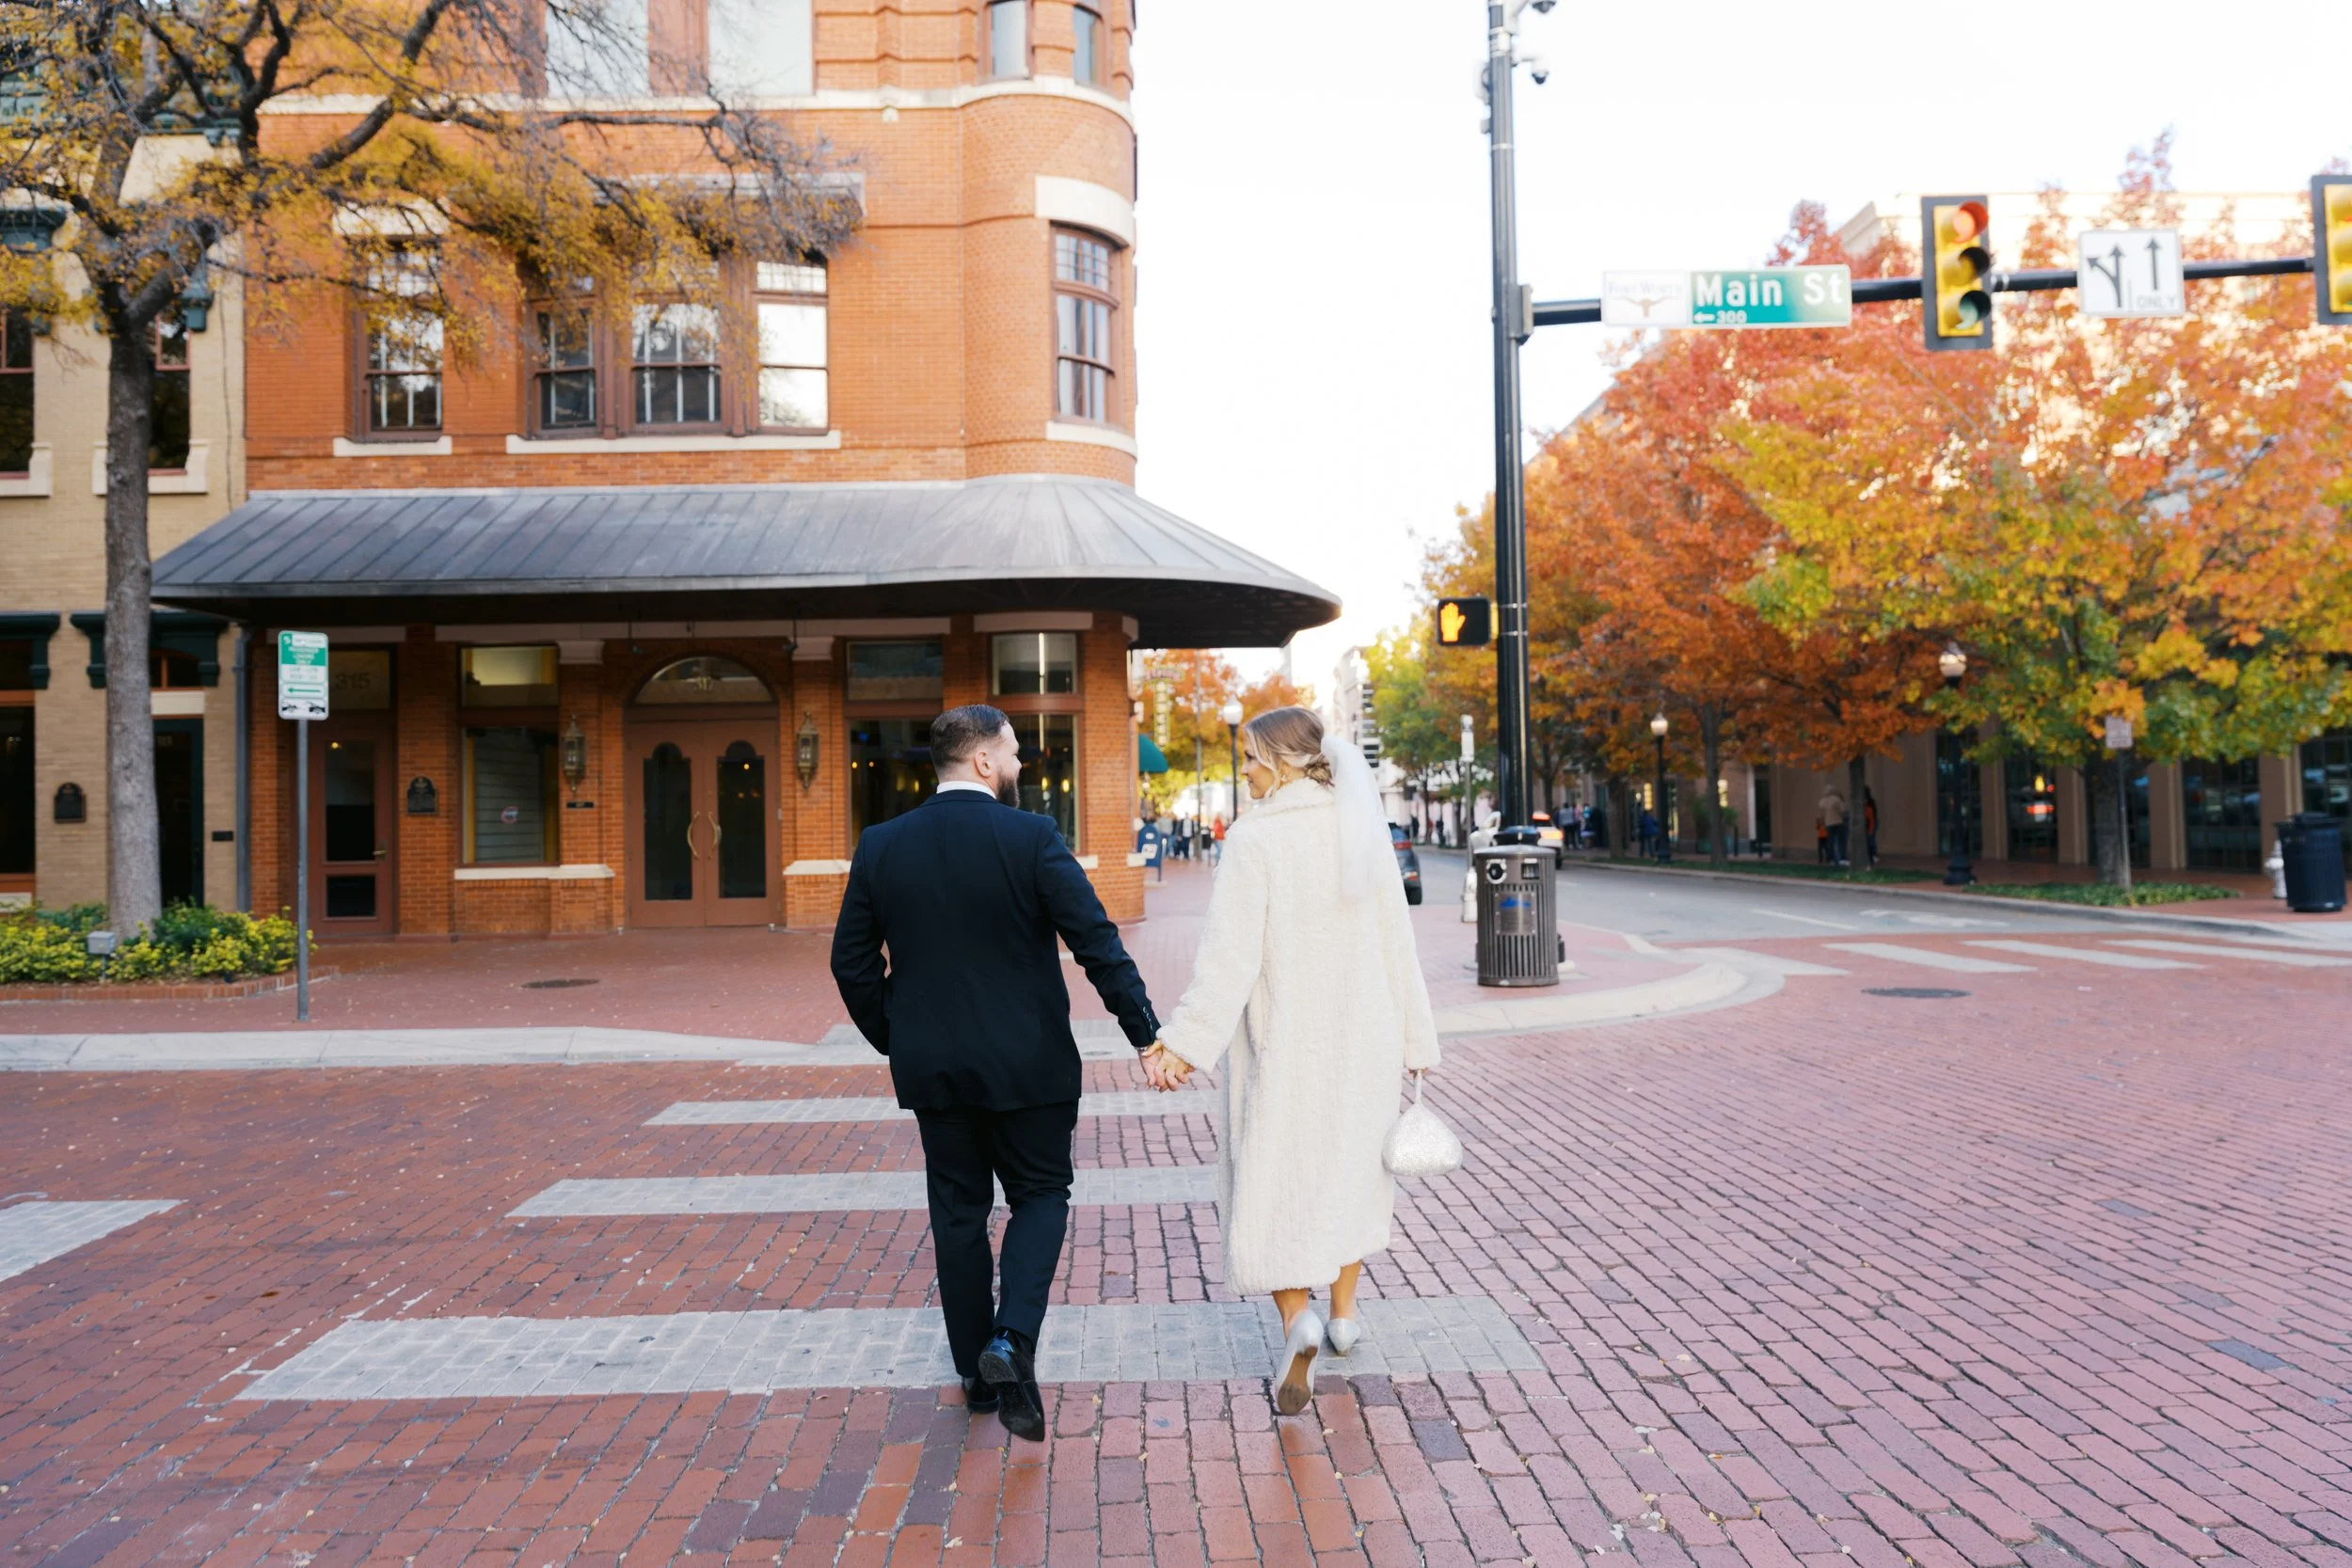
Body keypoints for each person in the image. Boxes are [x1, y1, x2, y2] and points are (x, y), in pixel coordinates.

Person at [830, 704, 1162, 1441]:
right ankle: (1012, 1339)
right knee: (1041, 1194)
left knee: (957, 1213)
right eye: (1012, 753)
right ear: (983, 761)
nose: (1020, 767)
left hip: (936, 1070)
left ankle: (978, 1380)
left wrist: (900, 1033)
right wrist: (1145, 1032)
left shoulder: (882, 845)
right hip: (1031, 1065)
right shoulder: (1032, 835)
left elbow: (850, 962)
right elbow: (1096, 942)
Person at [1139, 706, 1440, 1416]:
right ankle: (1343, 1316)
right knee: (1350, 1171)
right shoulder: (1360, 829)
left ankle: (1295, 1321)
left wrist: (1183, 1042)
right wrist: (1418, 1045)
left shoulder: (1256, 838)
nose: (1244, 770)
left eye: (1250, 757)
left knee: (1275, 1179)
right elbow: (1401, 945)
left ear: (1281, 759)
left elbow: (1230, 959)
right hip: (1364, 1043)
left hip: (1287, 1043)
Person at [1819, 786, 1849, 866]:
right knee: (1841, 841)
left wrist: (1823, 824)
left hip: (1828, 824)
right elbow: (1843, 810)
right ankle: (1842, 858)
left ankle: (1832, 859)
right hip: (1839, 822)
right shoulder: (1837, 799)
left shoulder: (1822, 801)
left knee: (1831, 842)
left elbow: (1821, 815)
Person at [1863, 789, 1879, 868]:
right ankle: (1871, 856)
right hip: (1868, 824)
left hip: (1870, 823)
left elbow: (1872, 819)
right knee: (1869, 841)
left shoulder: (1869, 806)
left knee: (1871, 840)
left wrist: (1870, 830)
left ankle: (1873, 856)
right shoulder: (1867, 805)